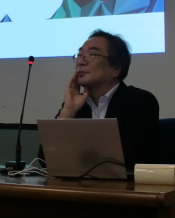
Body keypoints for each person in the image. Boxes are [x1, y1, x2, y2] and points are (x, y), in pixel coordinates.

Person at [53, 29, 160, 167]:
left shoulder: (140, 102)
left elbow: (132, 159)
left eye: (92, 54)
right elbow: (45, 159)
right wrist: (67, 113)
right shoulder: (75, 106)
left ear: (116, 68)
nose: (81, 62)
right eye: (80, 55)